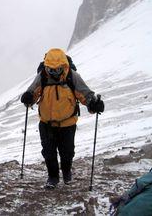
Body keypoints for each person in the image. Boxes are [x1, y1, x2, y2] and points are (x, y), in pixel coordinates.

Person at [20, 48, 104, 189]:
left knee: (67, 152)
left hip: (68, 123)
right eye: (50, 69)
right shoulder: (43, 76)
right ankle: (53, 177)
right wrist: (28, 98)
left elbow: (85, 94)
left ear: (63, 66)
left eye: (57, 69)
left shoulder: (72, 76)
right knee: (48, 152)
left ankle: (66, 172)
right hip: (46, 123)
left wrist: (93, 104)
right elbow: (32, 92)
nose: (53, 72)